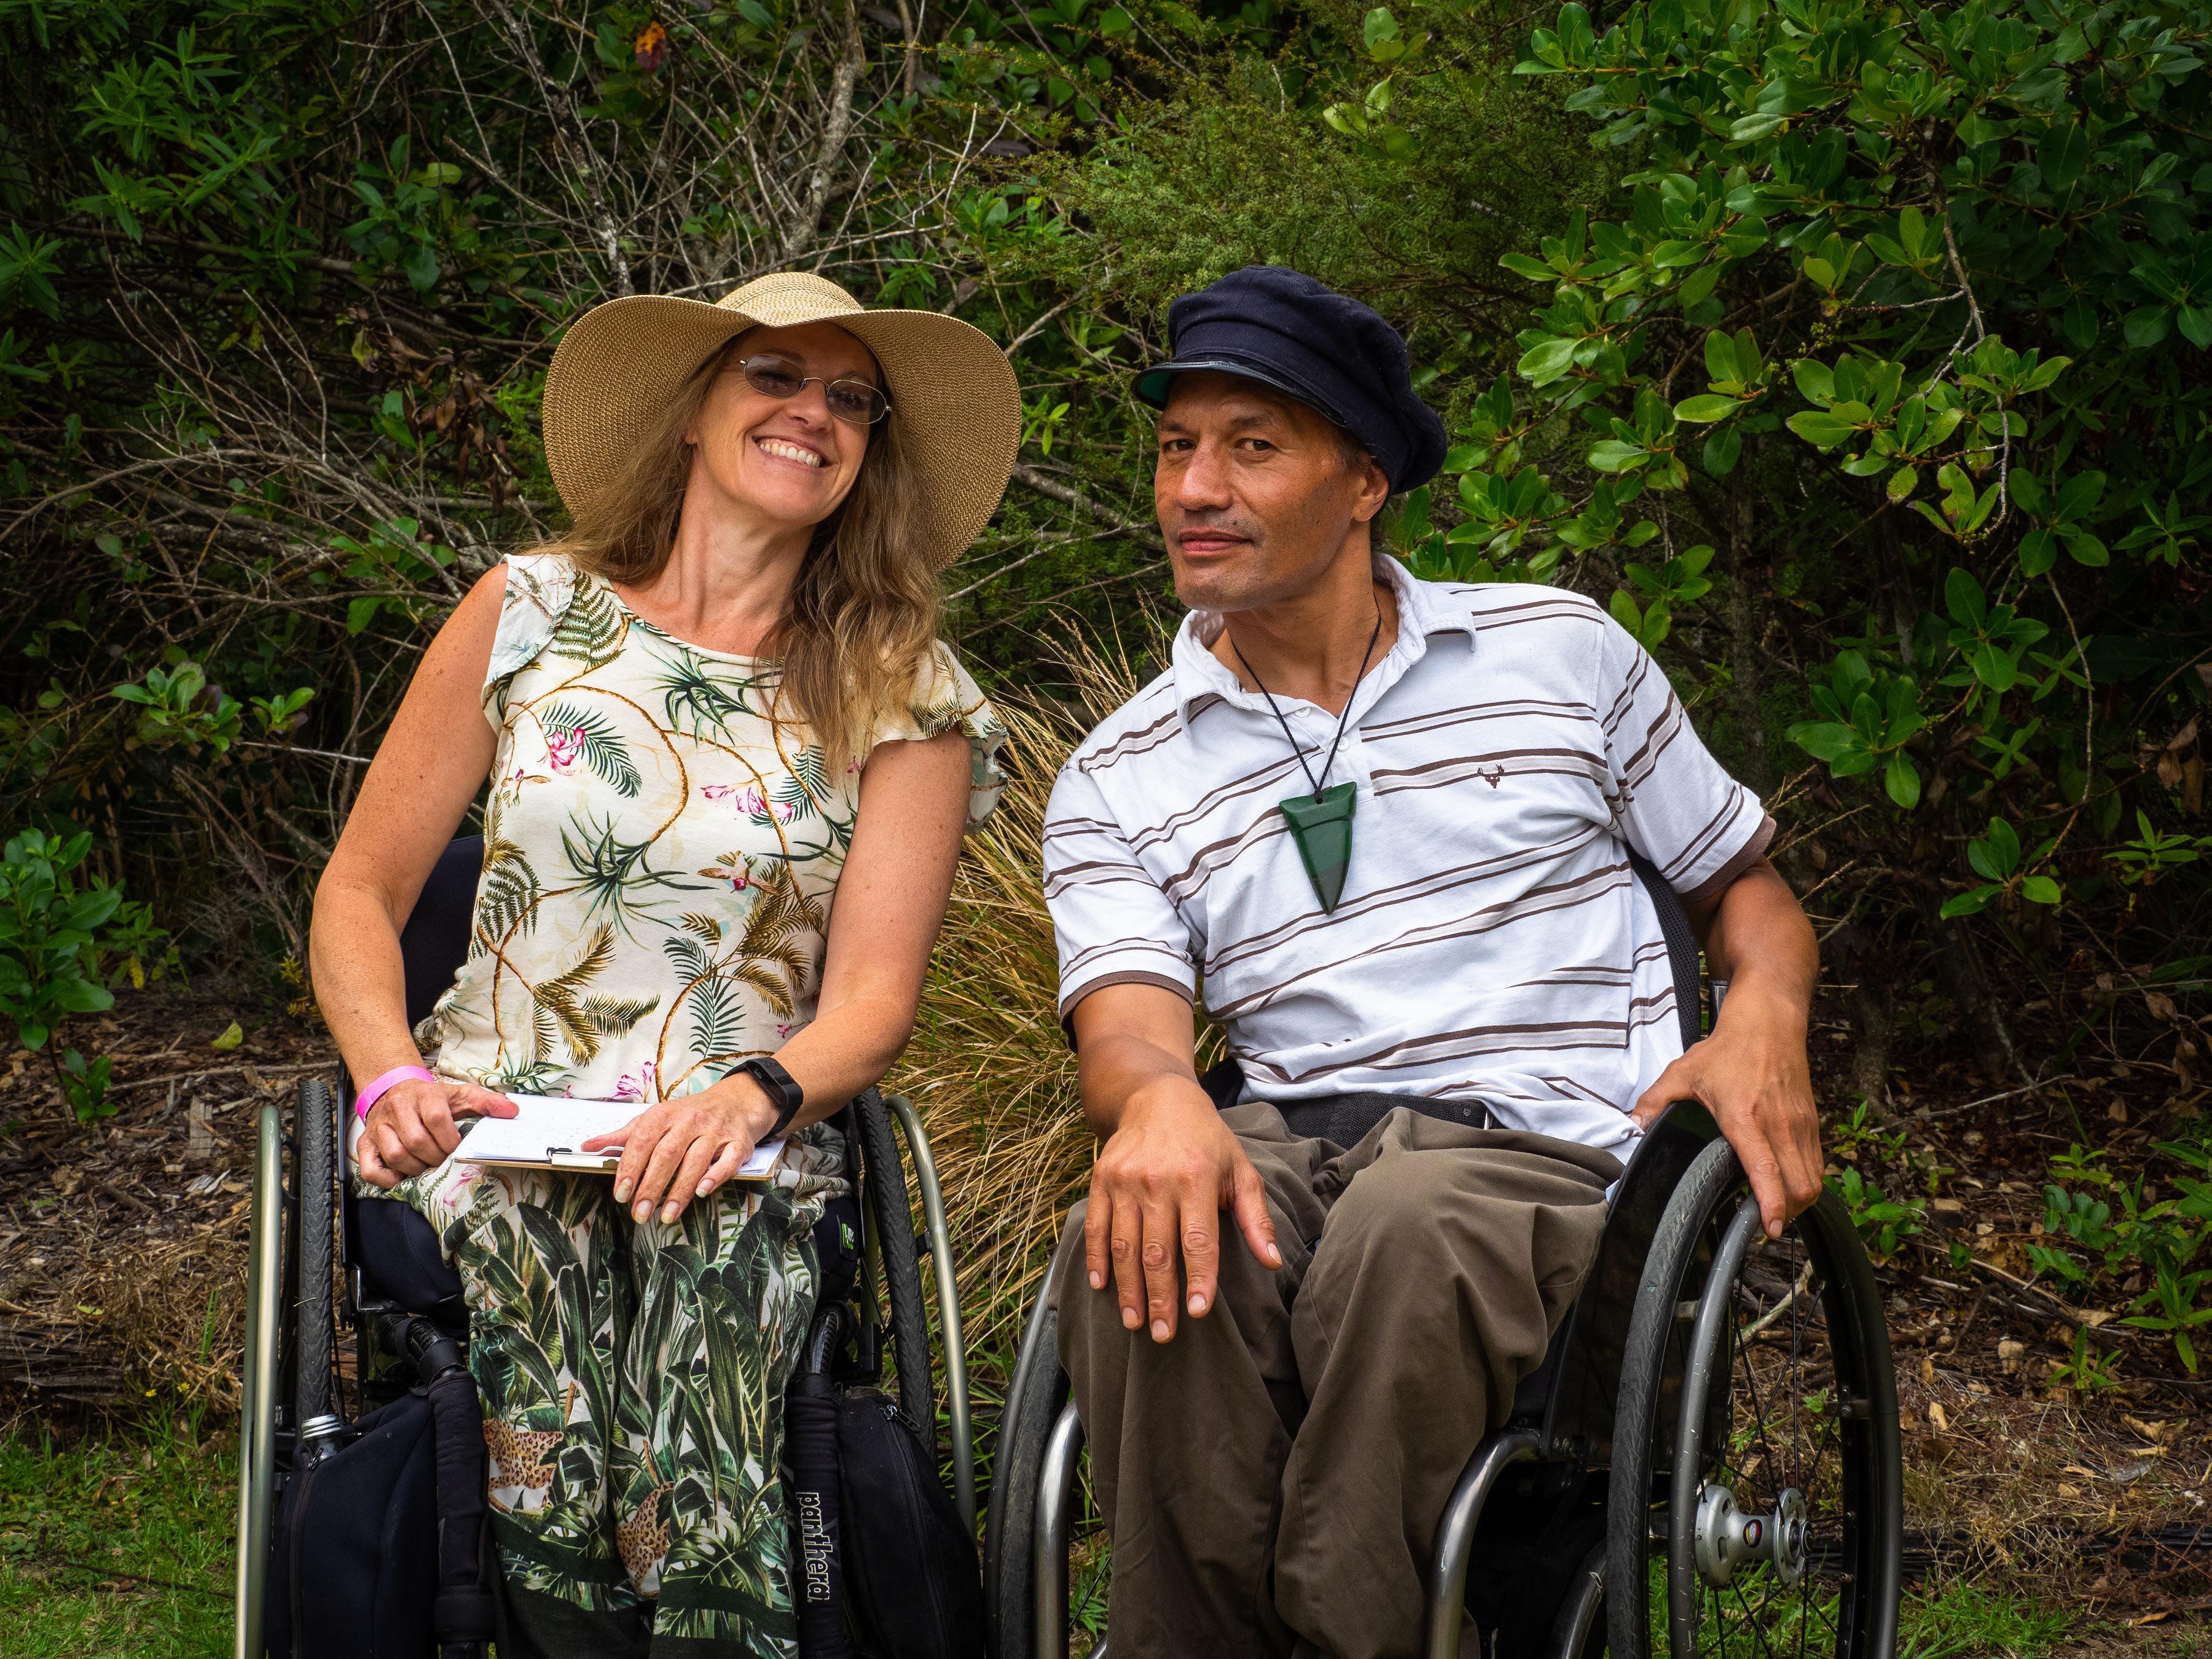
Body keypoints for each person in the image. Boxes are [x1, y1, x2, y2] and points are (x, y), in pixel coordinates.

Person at [1041, 264, 1824, 1659]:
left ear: (1365, 482)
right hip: (1296, 1137)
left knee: (1405, 1231)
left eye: (1251, 447)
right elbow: (1129, 1022)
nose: (1194, 488)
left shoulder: (1558, 654)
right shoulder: (1122, 770)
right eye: (1176, 447)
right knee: (1159, 1233)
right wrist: (1158, 1099)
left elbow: (1741, 890)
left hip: (1551, 1151)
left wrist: (1765, 1012)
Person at [308, 270, 1018, 1659]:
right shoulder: (530, 610)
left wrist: (750, 1099)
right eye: (775, 377)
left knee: (710, 1289)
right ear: (696, 409)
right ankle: (554, 1608)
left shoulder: (904, 687)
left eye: (850, 400)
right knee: (529, 1265)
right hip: (495, 1110)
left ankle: (698, 1622)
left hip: (741, 1124)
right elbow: (362, 889)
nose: (814, 414)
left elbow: (872, 1003)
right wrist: (389, 1074)